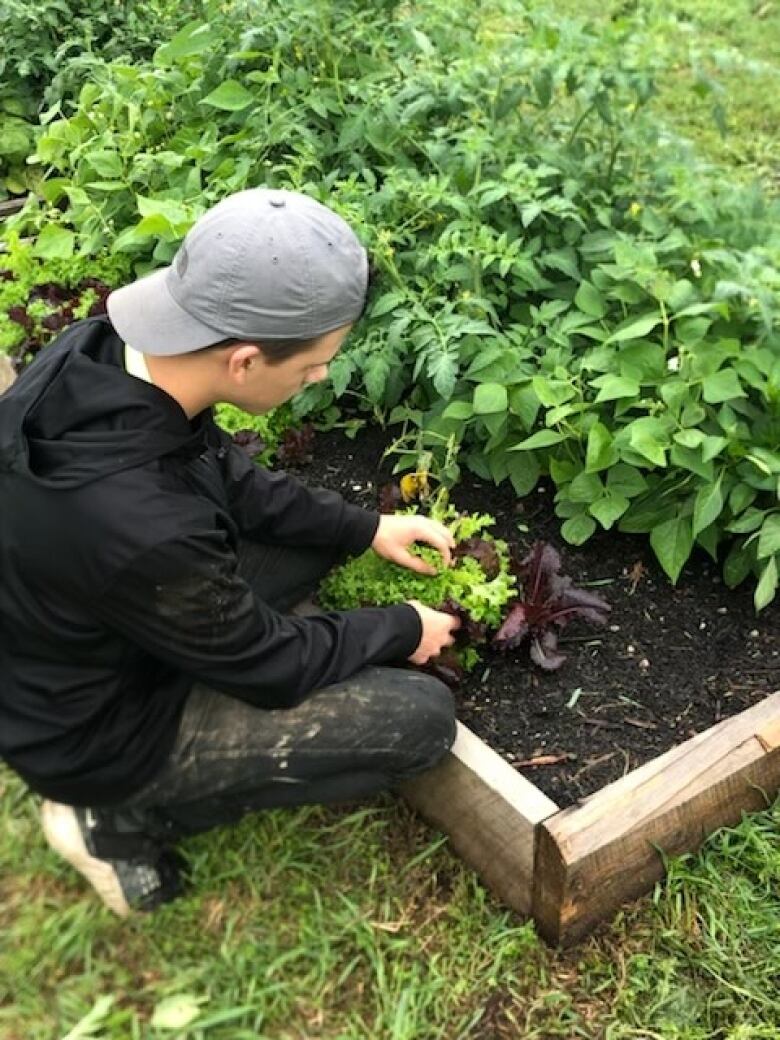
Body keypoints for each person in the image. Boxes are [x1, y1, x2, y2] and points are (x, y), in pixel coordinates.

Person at [0, 188, 460, 917]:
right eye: (314, 367)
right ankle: (113, 820)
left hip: (86, 618)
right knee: (421, 722)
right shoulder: (144, 526)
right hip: (94, 733)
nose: (319, 381)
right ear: (244, 361)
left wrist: (363, 527)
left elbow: (221, 474)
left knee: (308, 547)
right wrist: (402, 626)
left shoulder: (107, 355)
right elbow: (271, 666)